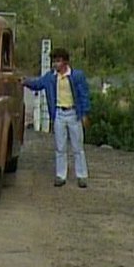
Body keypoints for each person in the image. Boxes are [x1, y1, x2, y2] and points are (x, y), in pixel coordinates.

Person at [23, 47, 91, 188]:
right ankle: (61, 175)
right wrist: (25, 81)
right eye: (54, 61)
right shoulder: (51, 77)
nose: (55, 64)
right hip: (59, 113)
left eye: (58, 61)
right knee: (60, 146)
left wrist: (84, 113)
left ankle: (82, 175)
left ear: (65, 62)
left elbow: (84, 95)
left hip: (73, 113)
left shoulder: (77, 76)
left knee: (77, 146)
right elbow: (38, 84)